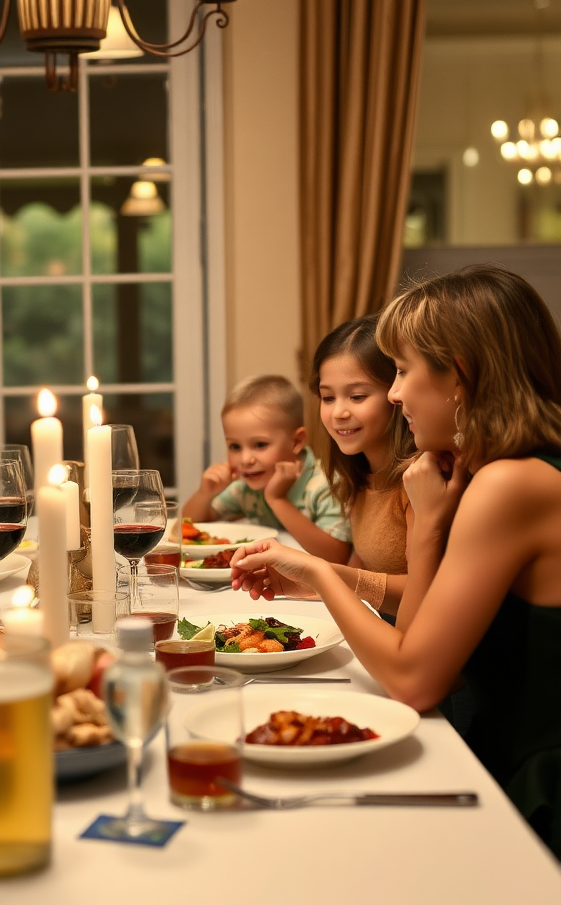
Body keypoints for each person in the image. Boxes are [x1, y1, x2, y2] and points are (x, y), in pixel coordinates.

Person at [230, 265, 561, 858]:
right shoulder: (488, 472)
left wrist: (324, 574)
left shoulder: (508, 485)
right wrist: (428, 528)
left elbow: (413, 679)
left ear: (459, 375)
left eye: (403, 370)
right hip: (492, 760)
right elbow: (417, 638)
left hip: (534, 792)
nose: (397, 391)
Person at [310, 315, 417, 616]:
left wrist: (321, 574)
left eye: (357, 396)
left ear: (396, 394)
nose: (339, 412)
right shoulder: (359, 475)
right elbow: (362, 563)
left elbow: (426, 596)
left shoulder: (419, 480)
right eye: (328, 397)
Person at [181, 374, 351, 562]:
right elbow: (189, 527)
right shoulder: (244, 488)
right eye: (235, 447)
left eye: (260, 445)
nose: (245, 459)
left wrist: (276, 499)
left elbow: (338, 555)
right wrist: (204, 494)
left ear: (296, 442)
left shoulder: (325, 484)